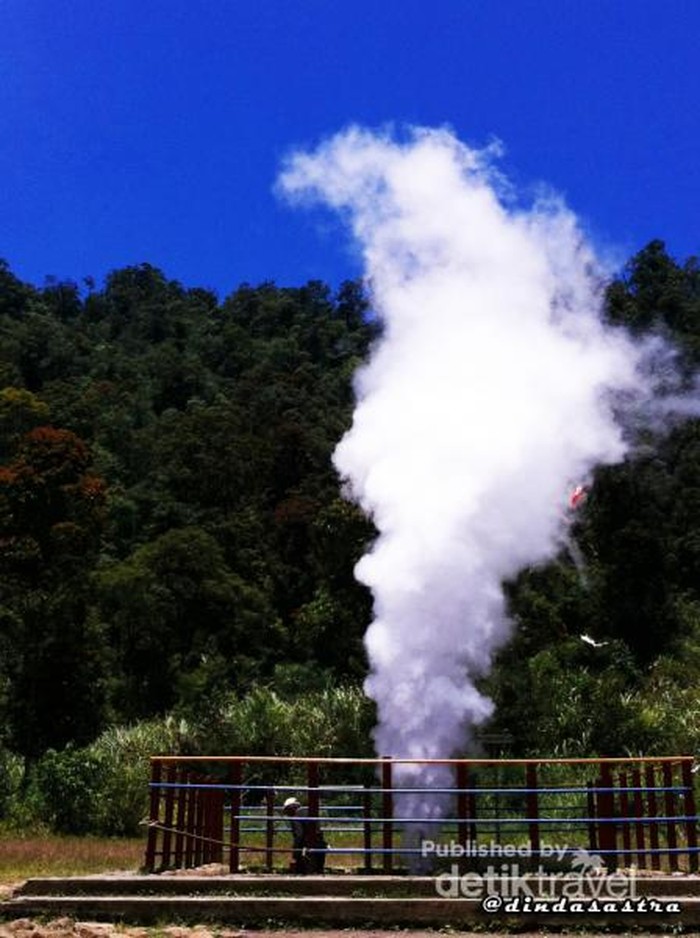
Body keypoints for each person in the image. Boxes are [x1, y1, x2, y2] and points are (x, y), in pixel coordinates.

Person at [282, 796, 328, 873]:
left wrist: (295, 852)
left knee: (304, 868)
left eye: (287, 811)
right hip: (320, 843)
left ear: (291, 808)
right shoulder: (309, 812)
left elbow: (299, 835)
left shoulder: (296, 817)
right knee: (318, 870)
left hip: (308, 846)